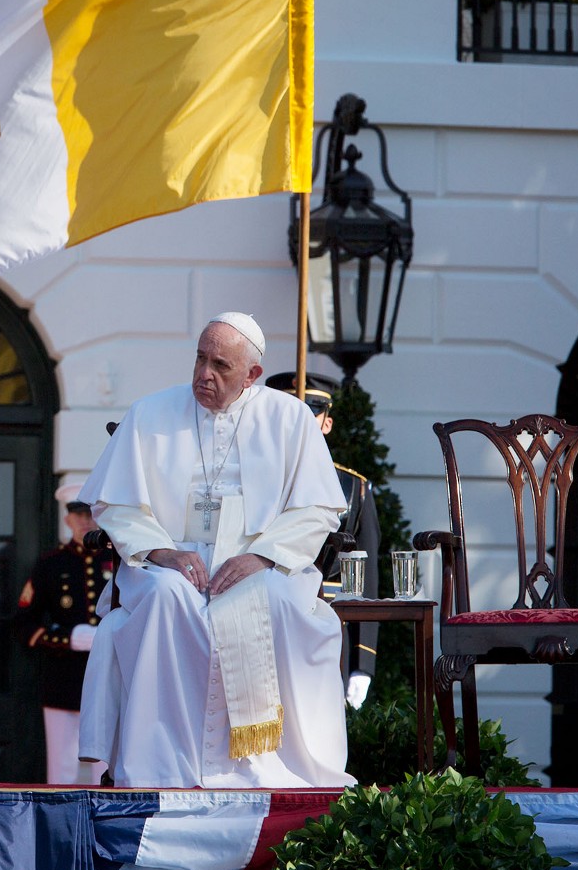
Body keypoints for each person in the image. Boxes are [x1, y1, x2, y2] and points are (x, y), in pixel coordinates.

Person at [77, 314, 353, 790]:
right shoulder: (151, 413)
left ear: (251, 376)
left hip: (262, 561)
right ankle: (159, 765)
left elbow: (318, 510)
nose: (204, 374)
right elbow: (115, 504)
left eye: (220, 365)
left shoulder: (290, 420)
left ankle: (263, 767)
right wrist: (161, 552)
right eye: (200, 359)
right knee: (166, 597)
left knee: (274, 599)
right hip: (170, 560)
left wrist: (263, 556)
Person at [265, 372, 378, 708]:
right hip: (263, 620)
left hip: (329, 625)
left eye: (309, 412)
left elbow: (365, 578)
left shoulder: (352, 488)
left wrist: (363, 663)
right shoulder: (249, 480)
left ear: (326, 422)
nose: (299, 422)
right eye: (289, 412)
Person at [14, 478, 116, 785]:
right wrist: (66, 639)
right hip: (62, 678)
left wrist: (107, 635)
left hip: (107, 677)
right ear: (67, 519)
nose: (85, 521)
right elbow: (24, 623)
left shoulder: (118, 561)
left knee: (108, 768)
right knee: (61, 769)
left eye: (90, 514)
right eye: (78, 514)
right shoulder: (51, 564)